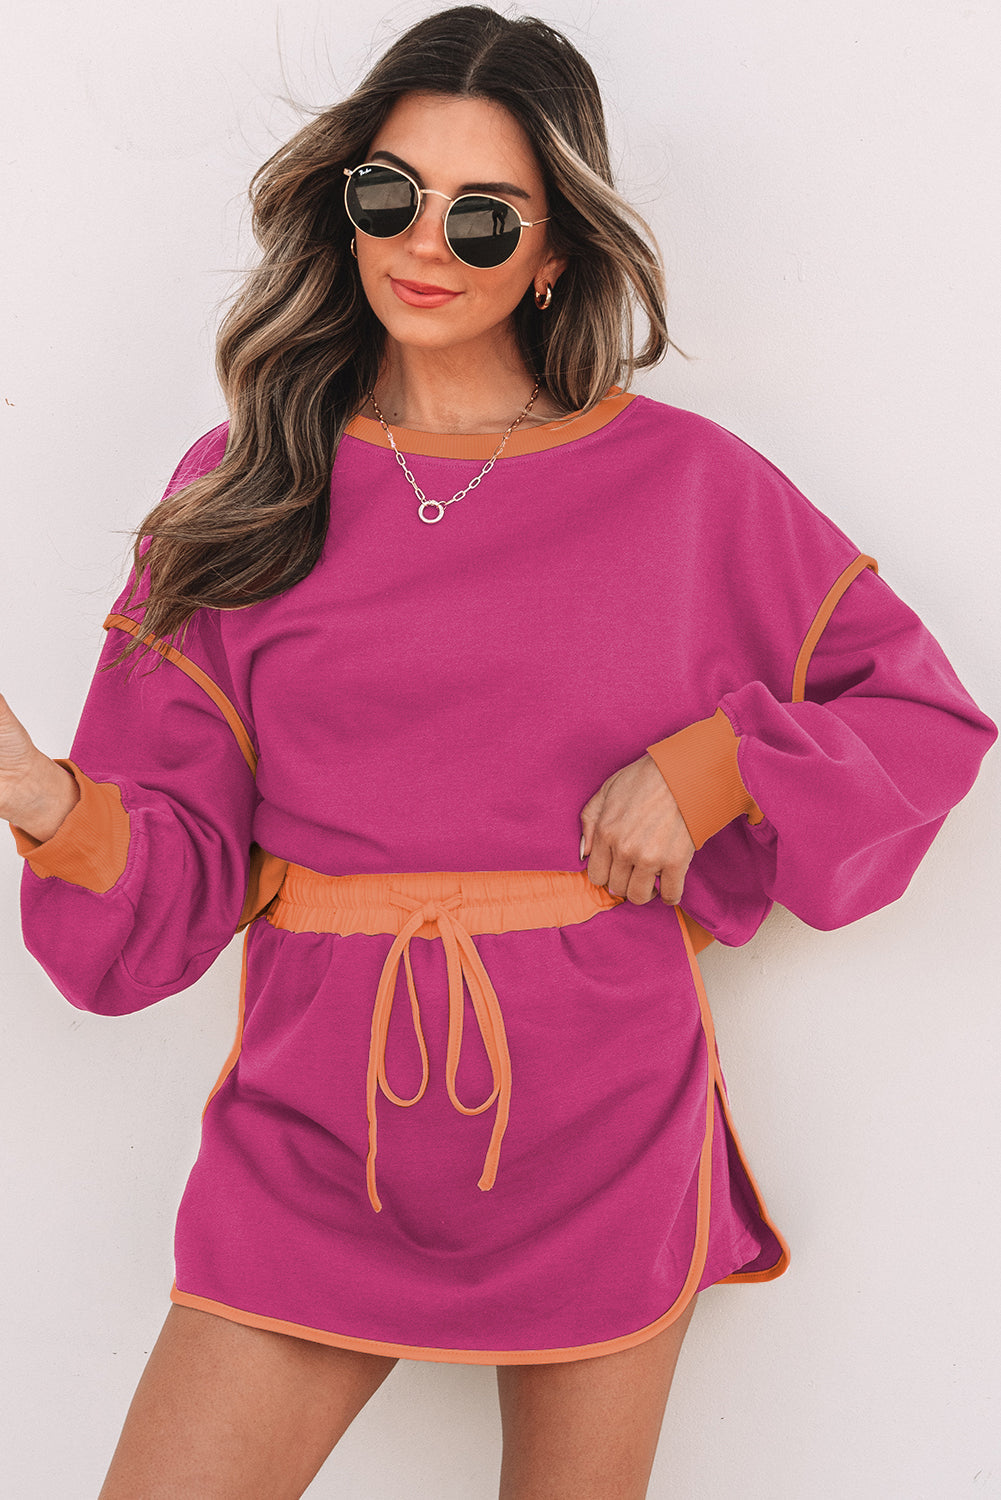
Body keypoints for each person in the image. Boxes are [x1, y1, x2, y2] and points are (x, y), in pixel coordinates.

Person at [3, 7, 995, 1498]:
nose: (426, 243)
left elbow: (922, 717)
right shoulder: (243, 490)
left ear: (554, 254)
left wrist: (713, 769)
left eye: (483, 216)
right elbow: (173, 884)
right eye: (390, 194)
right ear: (342, 203)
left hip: (605, 1120)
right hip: (311, 1137)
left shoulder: (691, 489)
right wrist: (44, 799)